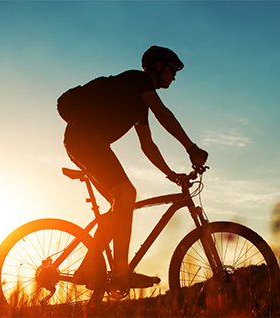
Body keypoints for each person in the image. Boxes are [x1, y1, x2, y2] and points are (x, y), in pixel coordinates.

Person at [61, 46, 208, 290]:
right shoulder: (138, 80)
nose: (174, 77)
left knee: (119, 203)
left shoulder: (139, 103)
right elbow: (163, 113)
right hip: (86, 140)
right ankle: (121, 272)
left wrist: (171, 175)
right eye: (172, 70)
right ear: (159, 66)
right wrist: (191, 148)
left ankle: (87, 269)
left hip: (85, 141)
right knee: (126, 193)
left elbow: (147, 145)